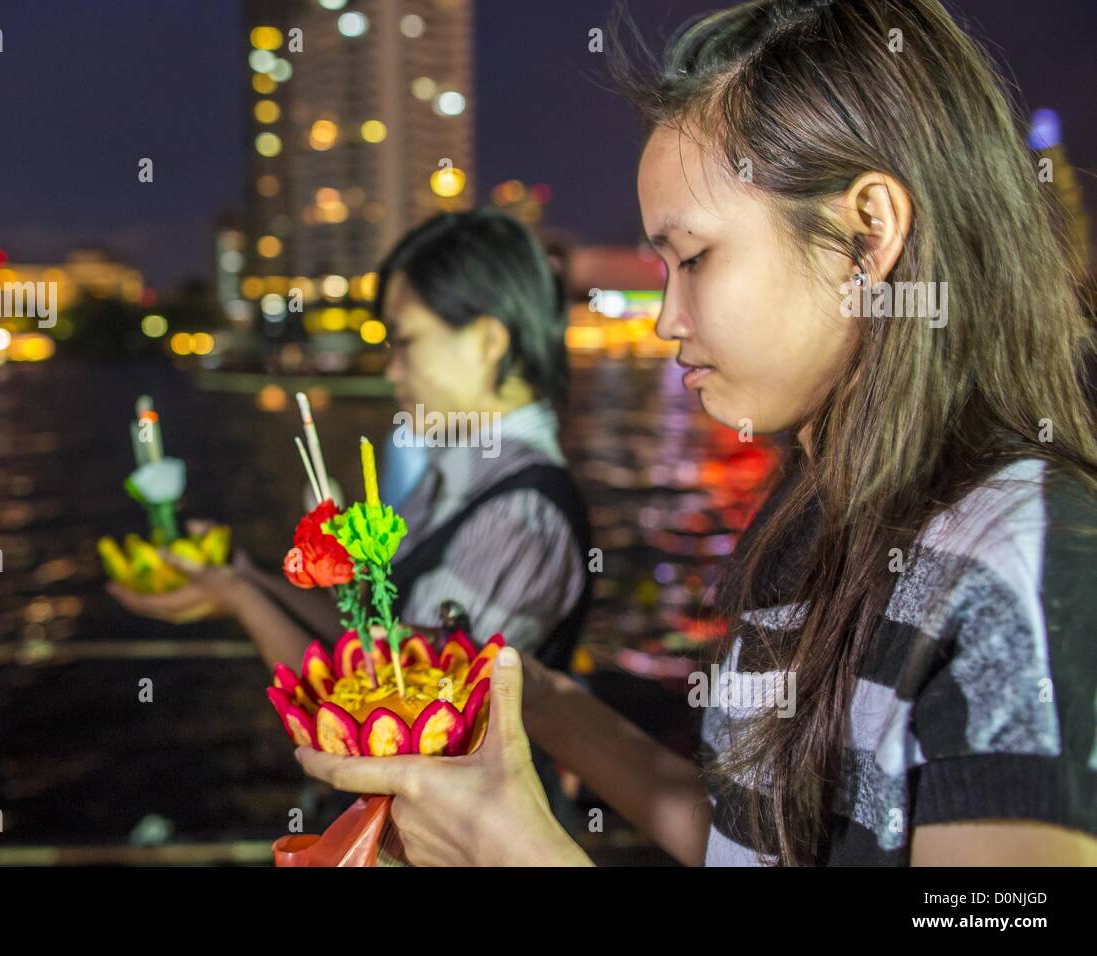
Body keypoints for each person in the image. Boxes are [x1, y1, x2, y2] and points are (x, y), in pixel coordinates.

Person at [296, 0, 1097, 866]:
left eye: (696, 257)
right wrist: (531, 703)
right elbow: (748, 840)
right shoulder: (817, 515)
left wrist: (517, 852)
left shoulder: (1017, 562)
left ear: (868, 236)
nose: (666, 320)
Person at [109, 211, 591, 796]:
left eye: (405, 340)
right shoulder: (457, 481)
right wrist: (245, 578)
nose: (391, 371)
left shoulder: (520, 516)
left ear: (489, 340)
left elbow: (408, 731)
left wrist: (240, 600)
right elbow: (373, 644)